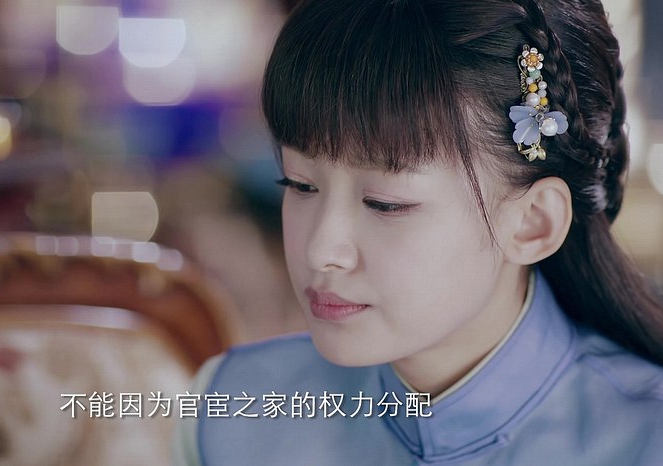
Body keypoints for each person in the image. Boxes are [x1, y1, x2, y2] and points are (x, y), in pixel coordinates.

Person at [173, 0, 663, 464]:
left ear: (534, 222)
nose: (321, 250)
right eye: (300, 185)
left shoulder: (644, 441)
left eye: (385, 204)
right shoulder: (237, 410)